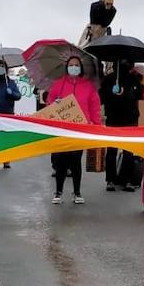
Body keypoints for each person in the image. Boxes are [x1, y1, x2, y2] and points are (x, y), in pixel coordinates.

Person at [47, 54, 101, 205]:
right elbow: (49, 101)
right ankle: (58, 192)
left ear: (81, 67)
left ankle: (77, 192)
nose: (74, 67)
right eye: (71, 65)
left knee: (76, 161)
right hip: (62, 129)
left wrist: (97, 126)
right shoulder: (59, 84)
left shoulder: (88, 86)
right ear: (67, 67)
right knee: (60, 162)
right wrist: (54, 102)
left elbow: (94, 107)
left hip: (80, 129)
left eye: (77, 65)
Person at [100, 59, 144, 191]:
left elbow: (140, 97)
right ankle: (110, 180)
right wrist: (111, 93)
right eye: (120, 63)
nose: (123, 66)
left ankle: (126, 180)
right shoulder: (108, 79)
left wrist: (130, 92)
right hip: (113, 118)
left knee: (129, 151)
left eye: (126, 63)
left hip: (130, 118)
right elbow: (101, 98)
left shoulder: (134, 79)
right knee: (112, 151)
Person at [0, 60, 22, 173]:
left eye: (3, 66)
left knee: (6, 138)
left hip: (7, 114)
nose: (0, 68)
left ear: (6, 69)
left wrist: (11, 93)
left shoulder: (10, 83)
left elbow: (18, 96)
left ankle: (6, 160)